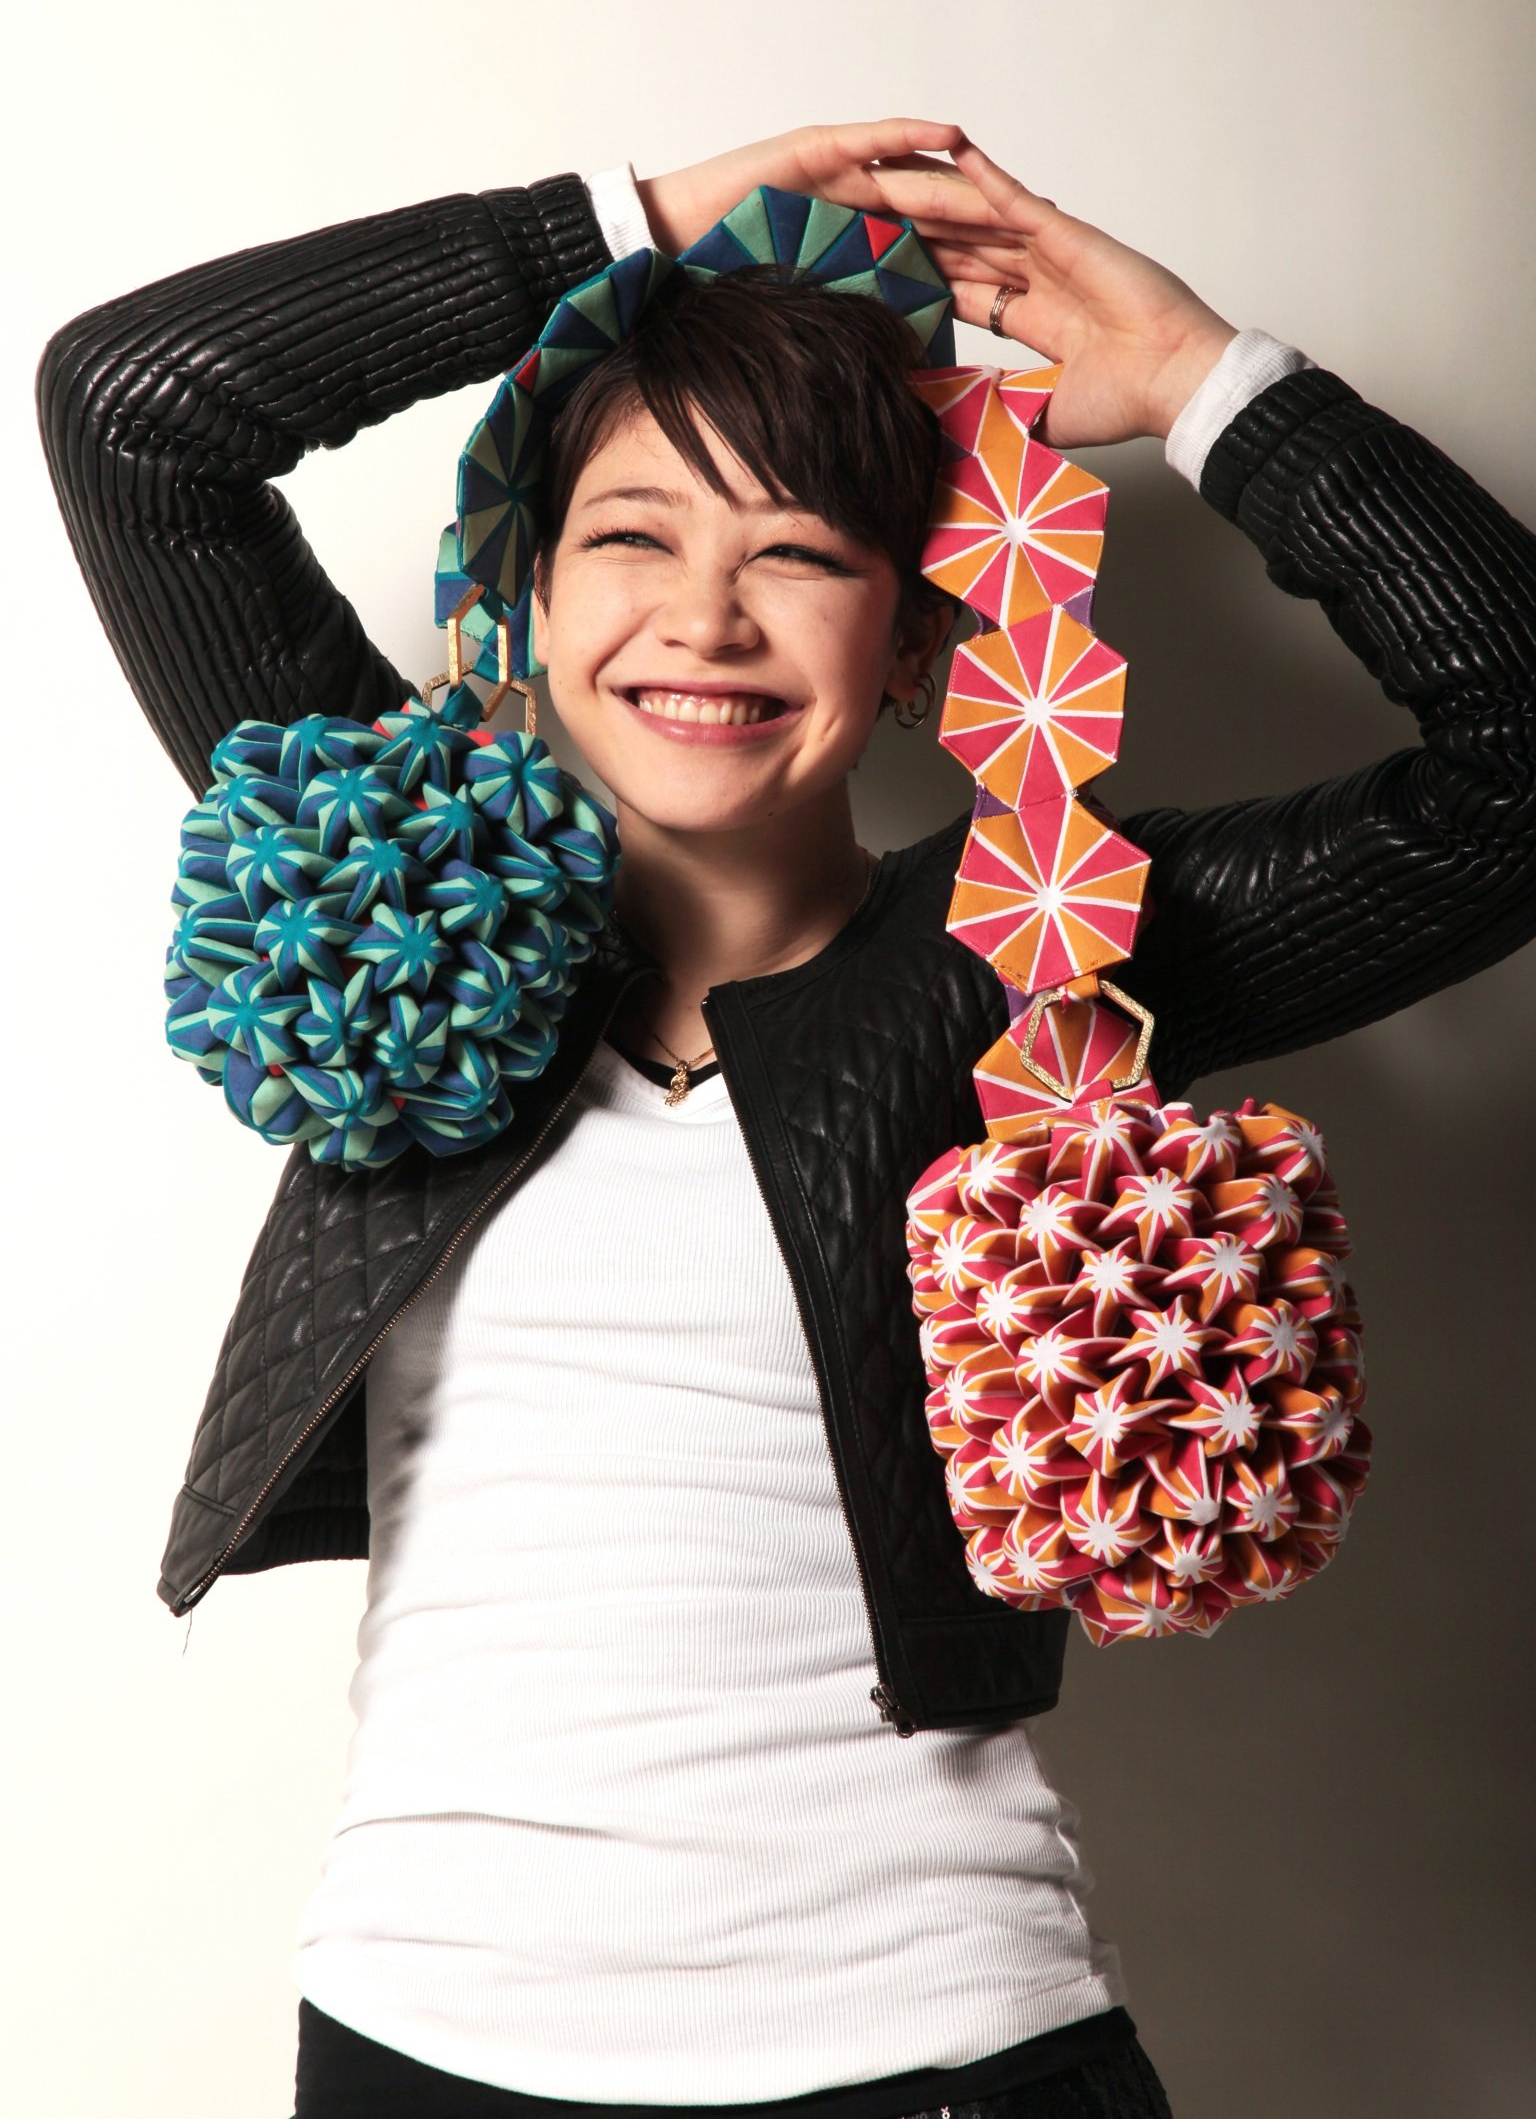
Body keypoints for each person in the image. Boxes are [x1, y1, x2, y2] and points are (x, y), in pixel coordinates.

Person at [35, 120, 1536, 2119]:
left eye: (801, 554)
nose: (705, 618)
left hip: (938, 2055)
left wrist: (1202, 378)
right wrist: (628, 231)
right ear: (531, 593)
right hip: (416, 2042)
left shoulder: (1049, 948)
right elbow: (136, 414)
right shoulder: (396, 899)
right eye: (634, 536)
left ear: (914, 640)